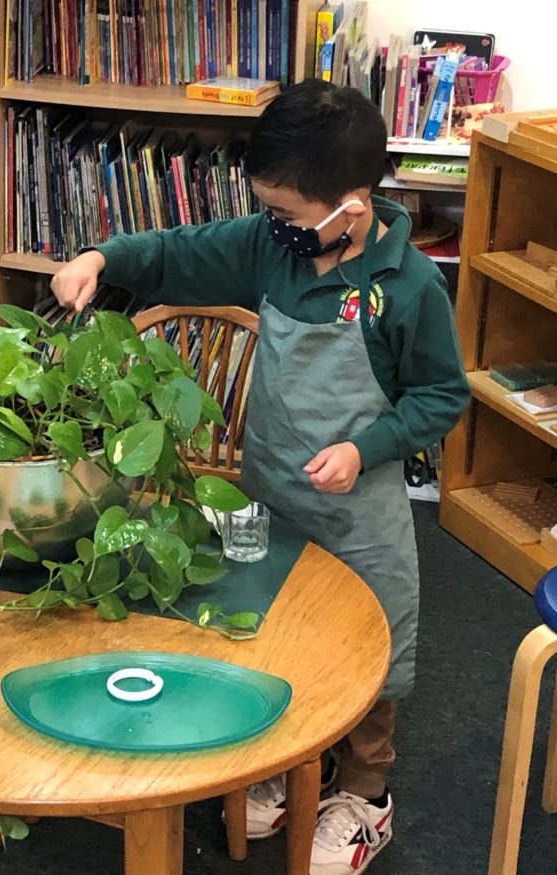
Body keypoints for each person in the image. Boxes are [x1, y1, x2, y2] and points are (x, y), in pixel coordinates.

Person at [51, 78, 470, 875]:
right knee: (273, 625)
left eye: (287, 212)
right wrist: (103, 258)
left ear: (352, 205)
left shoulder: (407, 289)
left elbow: (442, 394)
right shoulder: (270, 248)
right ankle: (284, 760)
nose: (273, 225)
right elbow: (179, 251)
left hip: (360, 512)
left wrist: (369, 444)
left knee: (370, 650)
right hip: (271, 490)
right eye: (268, 209)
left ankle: (364, 793)